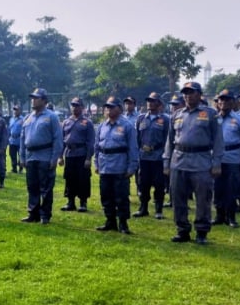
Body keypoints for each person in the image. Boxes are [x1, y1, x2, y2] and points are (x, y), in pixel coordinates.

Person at [163, 82, 224, 245]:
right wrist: (166, 162)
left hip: (201, 161)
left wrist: (217, 162)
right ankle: (182, 229)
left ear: (199, 95)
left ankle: (202, 231)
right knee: (177, 198)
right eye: (185, 93)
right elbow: (170, 141)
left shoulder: (210, 114)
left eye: (191, 92)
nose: (188, 96)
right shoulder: (176, 115)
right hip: (179, 160)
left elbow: (218, 140)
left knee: (203, 198)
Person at [94, 97, 139, 234]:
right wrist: (96, 163)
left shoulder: (127, 126)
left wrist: (132, 167)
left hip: (120, 167)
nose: (108, 109)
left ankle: (123, 223)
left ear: (119, 109)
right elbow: (97, 147)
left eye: (111, 107)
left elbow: (133, 148)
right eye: (107, 107)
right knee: (106, 196)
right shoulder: (102, 126)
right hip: (105, 166)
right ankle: (110, 221)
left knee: (121, 196)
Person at [19, 88, 63, 224]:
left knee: (46, 188)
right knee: (32, 186)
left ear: (44, 100)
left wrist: (54, 158)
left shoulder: (51, 117)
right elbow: (22, 138)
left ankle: (45, 215)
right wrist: (22, 157)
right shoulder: (28, 117)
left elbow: (58, 138)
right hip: (31, 156)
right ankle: (33, 213)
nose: (33, 100)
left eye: (36, 98)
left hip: (45, 156)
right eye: (32, 97)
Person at [212, 89, 240, 228]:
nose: (223, 102)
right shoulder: (214, 119)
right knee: (217, 189)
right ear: (217, 102)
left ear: (232, 102)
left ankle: (231, 217)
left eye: (227, 100)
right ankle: (219, 215)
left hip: (233, 159)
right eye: (221, 100)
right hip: (216, 160)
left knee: (231, 189)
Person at [133, 92, 169, 219]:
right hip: (144, 156)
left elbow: (167, 140)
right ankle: (143, 208)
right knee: (143, 183)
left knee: (159, 184)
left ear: (159, 103)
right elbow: (137, 138)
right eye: (148, 100)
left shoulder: (165, 119)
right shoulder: (141, 118)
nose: (150, 103)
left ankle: (158, 209)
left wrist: (166, 157)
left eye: (153, 101)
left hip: (158, 156)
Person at [58, 97, 94, 212]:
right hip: (69, 154)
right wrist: (60, 156)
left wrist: (89, 158)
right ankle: (70, 202)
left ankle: (83, 202)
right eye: (73, 105)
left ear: (82, 107)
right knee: (69, 178)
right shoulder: (66, 122)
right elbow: (62, 140)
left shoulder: (87, 123)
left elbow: (90, 142)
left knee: (83, 178)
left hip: (82, 153)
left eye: (77, 105)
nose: (74, 108)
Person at [8, 105, 24, 173]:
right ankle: (14, 168)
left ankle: (20, 168)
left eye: (16, 110)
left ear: (20, 111)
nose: (15, 111)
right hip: (12, 140)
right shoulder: (11, 119)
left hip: (19, 139)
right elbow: (10, 129)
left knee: (20, 154)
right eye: (14, 110)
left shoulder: (23, 119)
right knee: (12, 154)